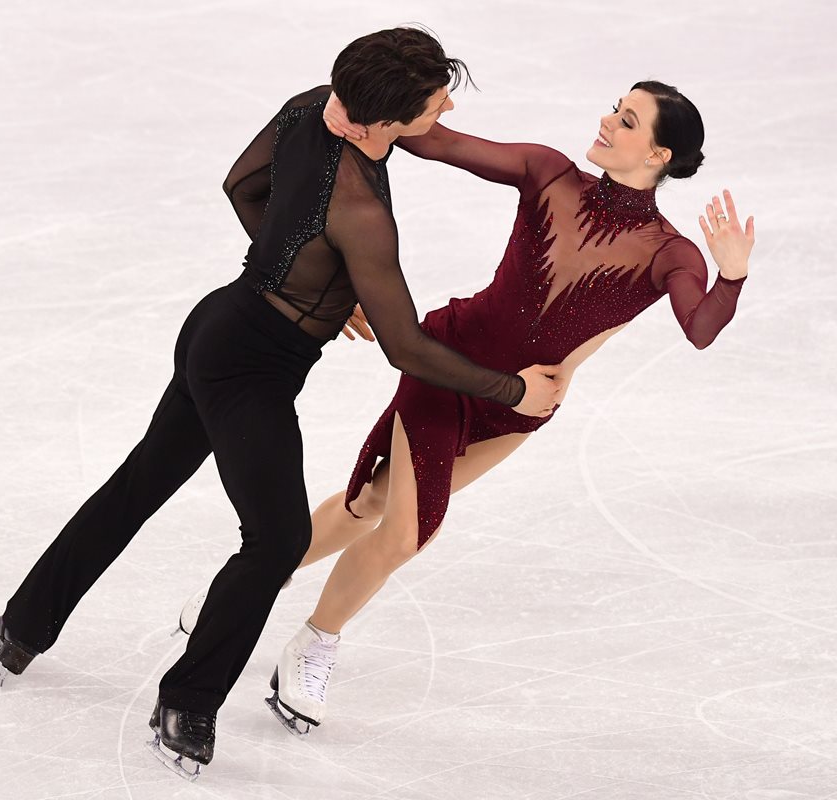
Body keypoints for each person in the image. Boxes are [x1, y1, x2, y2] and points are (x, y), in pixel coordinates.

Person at [0, 27, 561, 780]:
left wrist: (305, 276)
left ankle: (22, 626)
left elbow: (241, 185)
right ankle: (187, 701)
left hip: (217, 326)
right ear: (379, 121)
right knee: (277, 539)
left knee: (139, 486)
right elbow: (408, 349)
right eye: (433, 101)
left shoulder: (309, 107)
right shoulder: (359, 212)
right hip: (248, 370)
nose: (446, 104)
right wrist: (515, 390)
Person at [180, 80, 752, 737]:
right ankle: (315, 642)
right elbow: (436, 141)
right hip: (449, 364)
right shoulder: (547, 173)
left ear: (658, 155)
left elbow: (700, 327)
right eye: (613, 108)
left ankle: (243, 587)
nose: (605, 120)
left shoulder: (670, 253)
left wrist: (731, 273)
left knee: (368, 505)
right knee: (408, 530)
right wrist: (366, 92)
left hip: (520, 407)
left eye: (626, 121)